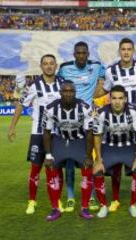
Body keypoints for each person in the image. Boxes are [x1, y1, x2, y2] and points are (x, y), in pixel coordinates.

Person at [96, 37, 136, 212]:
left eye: (129, 49)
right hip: (115, 123)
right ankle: (115, 200)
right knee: (115, 167)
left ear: (133, 51)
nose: (126, 52)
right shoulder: (111, 71)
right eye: (123, 49)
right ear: (119, 52)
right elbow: (103, 91)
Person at [8, 54, 64, 215]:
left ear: (56, 66)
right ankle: (32, 201)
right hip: (38, 134)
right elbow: (21, 105)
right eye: (45, 63)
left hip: (57, 134)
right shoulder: (34, 85)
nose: (48, 66)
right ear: (41, 66)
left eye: (51, 63)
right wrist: (12, 126)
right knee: (35, 169)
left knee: (54, 170)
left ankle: (56, 200)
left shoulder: (62, 84)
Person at [58, 41, 105, 212]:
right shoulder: (64, 68)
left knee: (89, 160)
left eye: (84, 53)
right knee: (69, 162)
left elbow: (108, 81)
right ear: (74, 54)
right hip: (68, 121)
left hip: (88, 121)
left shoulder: (97, 66)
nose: (81, 55)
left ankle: (91, 195)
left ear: (88, 54)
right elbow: (58, 87)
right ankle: (70, 197)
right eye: (78, 53)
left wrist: (99, 92)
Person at [42, 80, 94, 221]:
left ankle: (84, 208)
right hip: (60, 140)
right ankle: (55, 209)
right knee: (51, 167)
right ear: (60, 93)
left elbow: (89, 133)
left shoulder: (85, 107)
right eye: (65, 91)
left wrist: (89, 155)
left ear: (75, 93)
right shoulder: (51, 108)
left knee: (88, 168)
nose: (68, 94)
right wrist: (48, 155)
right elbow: (47, 132)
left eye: (71, 91)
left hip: (79, 140)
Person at [92, 85, 136, 218]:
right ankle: (104, 206)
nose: (117, 101)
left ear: (125, 99)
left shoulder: (133, 110)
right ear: (109, 99)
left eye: (120, 98)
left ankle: (133, 205)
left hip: (128, 146)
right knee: (97, 171)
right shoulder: (102, 112)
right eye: (114, 98)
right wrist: (98, 159)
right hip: (109, 146)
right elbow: (97, 136)